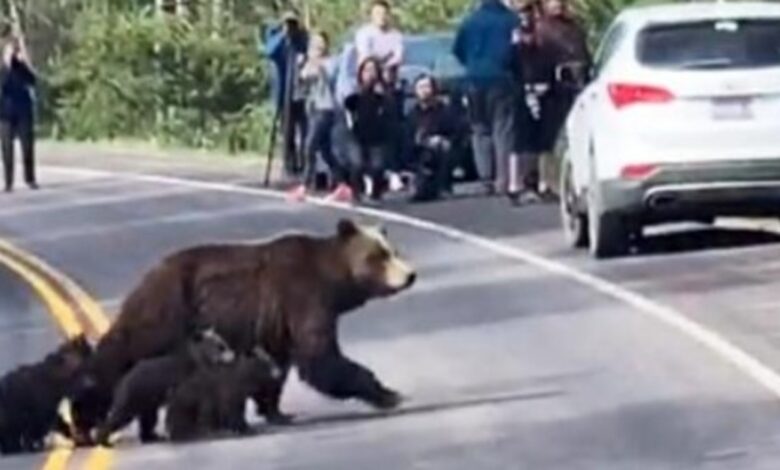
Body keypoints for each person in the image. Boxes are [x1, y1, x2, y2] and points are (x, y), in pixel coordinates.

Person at [454, 0, 535, 205]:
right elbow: (515, 51)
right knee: (503, 129)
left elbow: (458, 50)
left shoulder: (469, 21)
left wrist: (474, 64)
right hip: (501, 79)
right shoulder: (510, 20)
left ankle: (485, 177)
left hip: (473, 79)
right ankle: (503, 178)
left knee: (480, 128)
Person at [287, 32, 348, 203]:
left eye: (321, 44)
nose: (317, 48)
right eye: (314, 44)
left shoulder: (331, 62)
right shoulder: (306, 62)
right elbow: (300, 86)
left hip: (325, 108)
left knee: (309, 146)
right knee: (326, 151)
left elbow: (328, 78)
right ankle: (342, 184)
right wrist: (301, 68)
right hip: (312, 109)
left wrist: (314, 65)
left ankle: (304, 186)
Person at [536, 0, 590, 185]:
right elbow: (538, 58)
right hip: (553, 86)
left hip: (577, 83)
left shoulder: (574, 26)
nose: (556, 3)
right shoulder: (540, 28)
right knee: (550, 133)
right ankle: (548, 179)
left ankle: (576, 175)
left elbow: (584, 53)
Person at [262, 10, 309, 180]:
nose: (291, 27)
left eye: (293, 23)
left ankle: (304, 163)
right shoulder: (277, 38)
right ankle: (289, 164)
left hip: (300, 91)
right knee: (287, 130)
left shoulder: (302, 39)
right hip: (283, 91)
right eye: (287, 23)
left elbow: (309, 53)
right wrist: (283, 35)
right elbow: (268, 52)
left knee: (305, 130)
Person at [342, 57, 392, 203]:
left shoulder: (383, 94)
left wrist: (382, 94)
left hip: (377, 136)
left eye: (373, 70)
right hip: (356, 135)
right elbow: (347, 106)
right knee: (357, 163)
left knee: (378, 166)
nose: (370, 74)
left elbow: (390, 112)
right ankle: (356, 192)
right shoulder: (355, 91)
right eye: (366, 70)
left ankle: (376, 192)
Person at [404, 75, 456, 202]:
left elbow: (456, 131)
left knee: (443, 147)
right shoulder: (412, 114)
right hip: (419, 152)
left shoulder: (444, 110)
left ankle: (444, 186)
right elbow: (407, 139)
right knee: (421, 194)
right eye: (421, 87)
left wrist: (440, 139)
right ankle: (419, 184)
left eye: (427, 86)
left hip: (439, 149)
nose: (424, 90)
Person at [0, 33, 38, 193]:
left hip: (23, 110)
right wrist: (7, 66)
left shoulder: (21, 67)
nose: (13, 53)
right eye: (10, 50)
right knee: (7, 149)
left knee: (27, 146)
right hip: (5, 114)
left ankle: (30, 179)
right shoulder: (2, 69)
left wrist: (23, 63)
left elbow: (33, 80)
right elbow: (3, 86)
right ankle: (8, 183)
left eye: (15, 50)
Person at [354, 0, 404, 71]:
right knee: (370, 66)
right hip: (368, 73)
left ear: (389, 15)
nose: (382, 17)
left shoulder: (396, 36)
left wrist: (387, 66)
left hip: (389, 73)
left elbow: (398, 57)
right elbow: (365, 56)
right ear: (372, 15)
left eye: (385, 13)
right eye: (378, 13)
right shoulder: (364, 33)